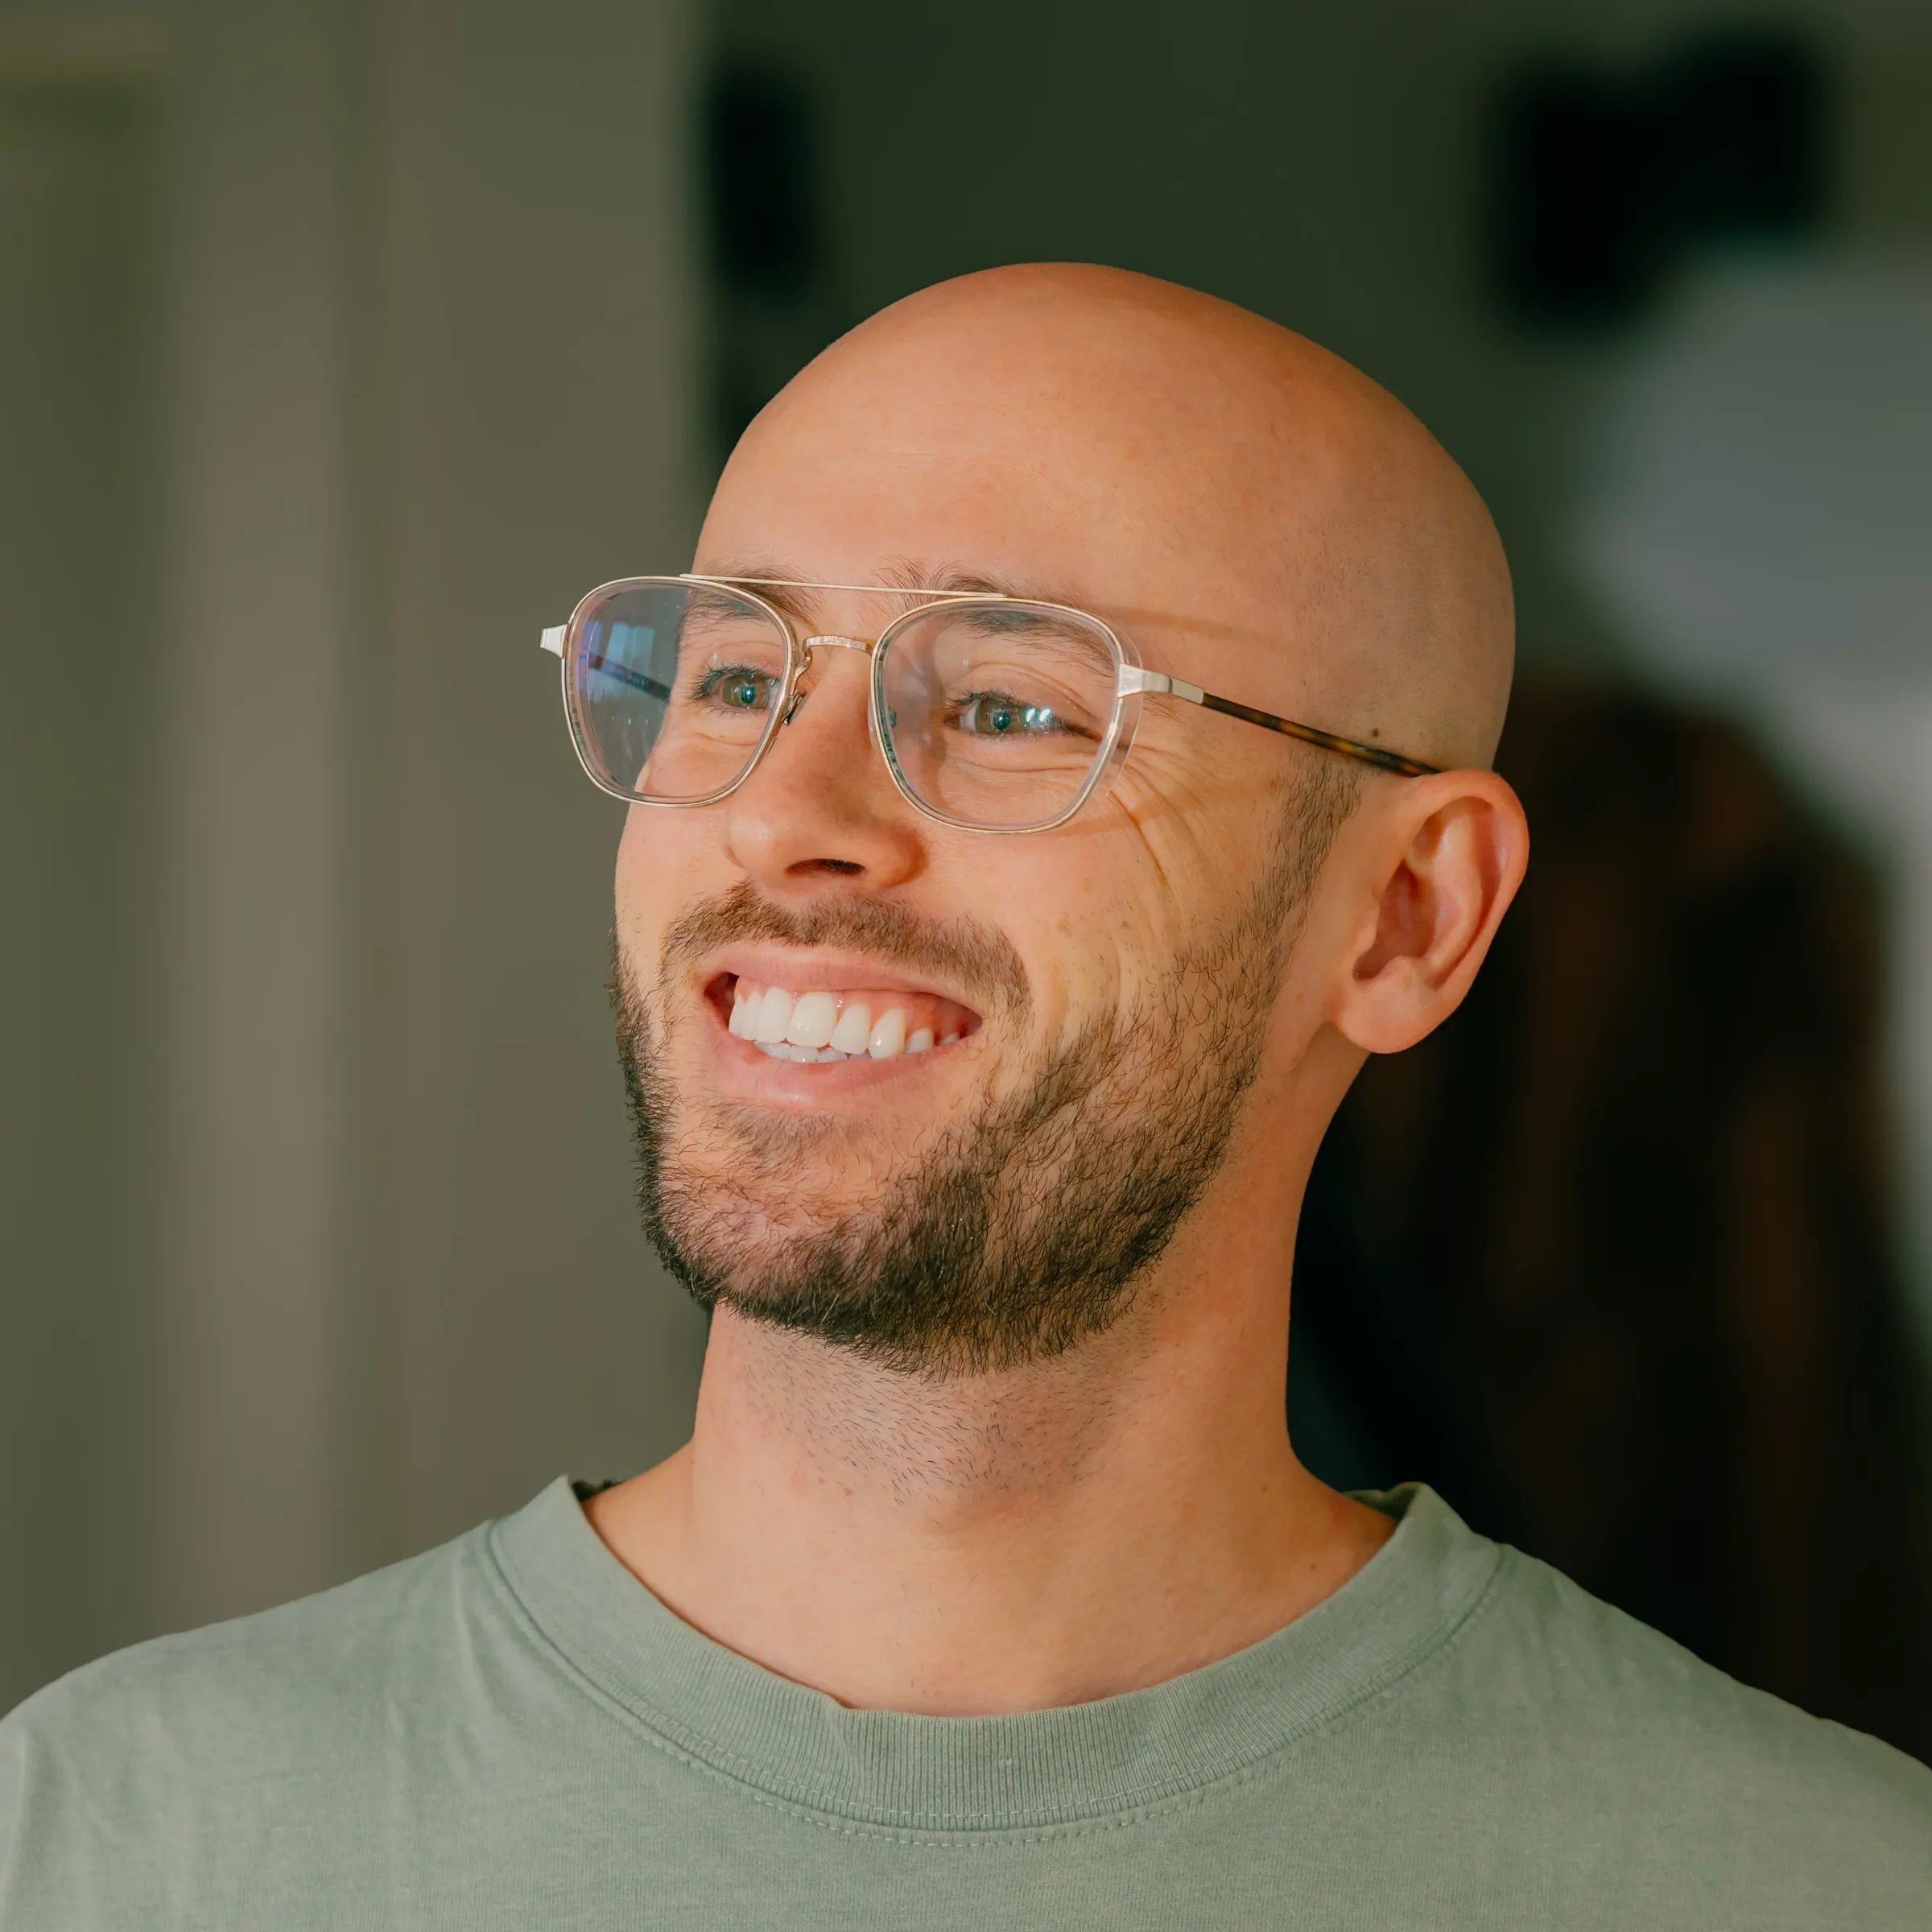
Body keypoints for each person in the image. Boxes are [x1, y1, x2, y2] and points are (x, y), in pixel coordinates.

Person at [2, 265, 1926, 1929]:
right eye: (733, 674)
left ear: (1408, 916)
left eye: (1010, 704)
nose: (785, 814)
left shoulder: (1824, 1892)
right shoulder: (104, 1842)